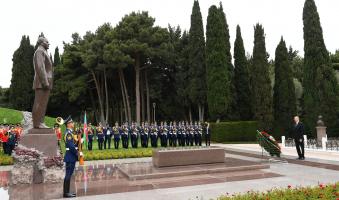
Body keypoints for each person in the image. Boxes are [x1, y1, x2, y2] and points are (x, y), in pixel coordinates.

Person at [32, 36, 53, 129]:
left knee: (43, 104)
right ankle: (37, 123)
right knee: (39, 103)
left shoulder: (43, 52)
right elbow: (40, 67)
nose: (49, 43)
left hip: (45, 83)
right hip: (42, 83)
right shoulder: (39, 51)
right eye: (47, 42)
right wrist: (45, 82)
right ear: (41, 42)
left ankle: (41, 122)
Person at [63, 117, 81, 198]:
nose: (73, 124)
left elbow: (74, 144)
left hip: (71, 156)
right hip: (70, 156)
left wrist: (79, 136)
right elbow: (70, 146)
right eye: (72, 123)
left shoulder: (70, 133)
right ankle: (66, 193)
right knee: (68, 175)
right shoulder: (68, 134)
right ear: (68, 124)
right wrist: (77, 153)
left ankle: (67, 192)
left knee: (69, 175)